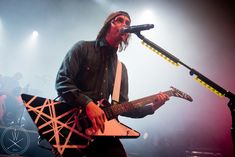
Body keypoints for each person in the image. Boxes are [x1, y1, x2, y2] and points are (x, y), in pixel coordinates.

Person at [55, 11, 169, 157]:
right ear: (108, 25)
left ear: (127, 35)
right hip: (72, 126)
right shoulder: (83, 48)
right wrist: (88, 104)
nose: (125, 25)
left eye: (128, 23)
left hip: (102, 131)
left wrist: (152, 107)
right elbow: (62, 81)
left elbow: (123, 107)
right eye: (120, 20)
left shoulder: (121, 69)